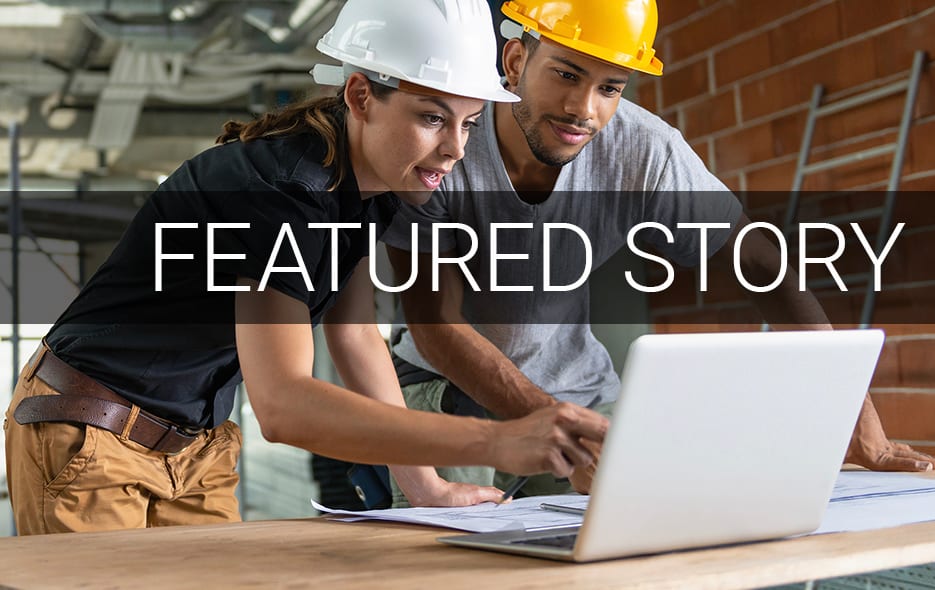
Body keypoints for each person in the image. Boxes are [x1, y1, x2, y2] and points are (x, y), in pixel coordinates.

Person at [2, 0, 608, 536]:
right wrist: (499, 440)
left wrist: (426, 486)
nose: (455, 147)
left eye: (469, 123)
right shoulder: (278, 193)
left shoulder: (368, 190)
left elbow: (355, 336)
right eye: (431, 117)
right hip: (91, 435)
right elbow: (284, 404)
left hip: (197, 446)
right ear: (361, 96)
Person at [380, 0, 935, 506]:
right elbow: (436, 324)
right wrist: (552, 424)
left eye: (610, 87)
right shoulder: (448, 140)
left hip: (581, 390)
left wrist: (845, 399)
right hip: (445, 388)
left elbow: (759, 259)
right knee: (465, 558)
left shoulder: (643, 150)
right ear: (514, 62)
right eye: (566, 74)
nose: (584, 108)